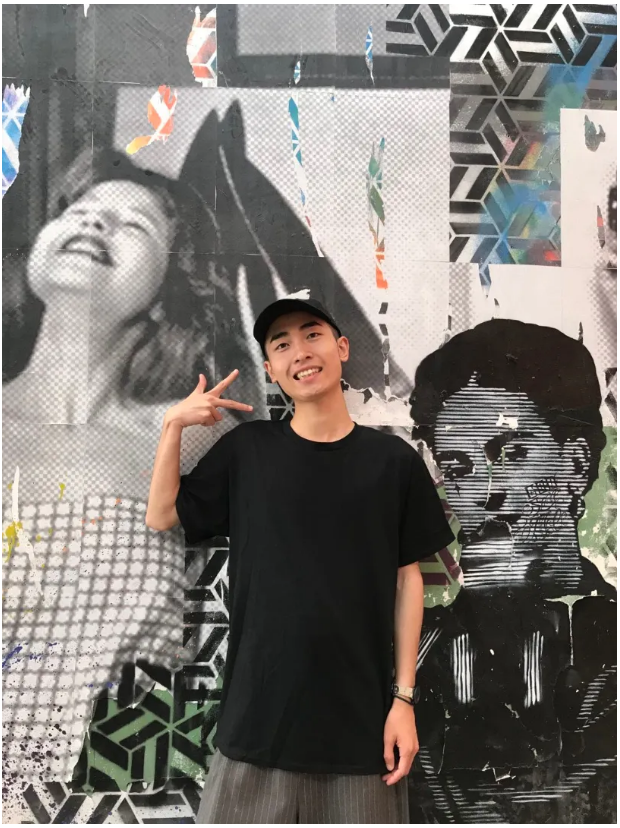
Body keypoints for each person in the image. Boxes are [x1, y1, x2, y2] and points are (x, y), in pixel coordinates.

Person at [146, 293, 455, 824]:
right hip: (256, 724)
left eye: (312, 335)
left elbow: (410, 584)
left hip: (362, 732)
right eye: (282, 344)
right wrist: (173, 425)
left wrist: (403, 701)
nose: (300, 352)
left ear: (342, 347)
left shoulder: (393, 463)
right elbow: (162, 515)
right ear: (271, 369)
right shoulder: (247, 451)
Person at [1, 147, 225, 814]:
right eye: (80, 209)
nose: (94, 222)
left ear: (167, 295)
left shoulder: (194, 439)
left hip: (127, 804)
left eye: (133, 224)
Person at [407, 320, 616, 820]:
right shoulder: (418, 657)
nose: (485, 495)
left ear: (575, 463)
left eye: (510, 454)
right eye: (458, 469)